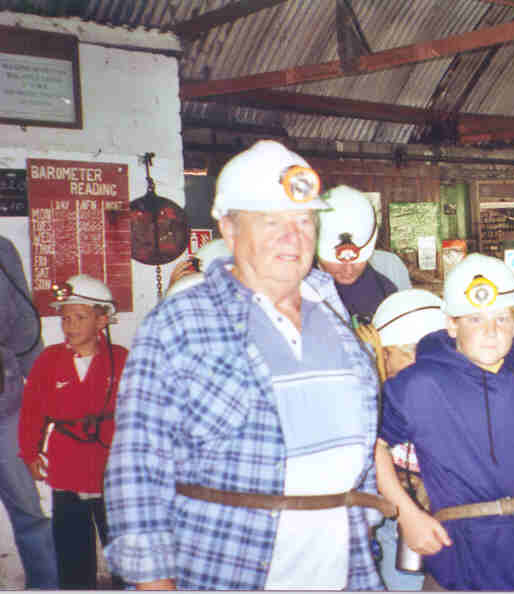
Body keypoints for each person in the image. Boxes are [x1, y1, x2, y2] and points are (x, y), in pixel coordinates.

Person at [103, 140, 393, 590]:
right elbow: (138, 470)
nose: (292, 236)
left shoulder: (336, 321)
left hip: (343, 570)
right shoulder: (182, 323)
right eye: (270, 221)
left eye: (303, 220)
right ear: (229, 227)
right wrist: (154, 582)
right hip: (228, 571)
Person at [375, 253, 514, 590]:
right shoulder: (418, 385)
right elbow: (371, 446)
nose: (491, 333)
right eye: (475, 320)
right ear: (451, 324)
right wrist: (406, 513)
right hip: (460, 556)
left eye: (503, 319)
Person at [18, 274, 127, 590]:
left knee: (124, 554)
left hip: (113, 471)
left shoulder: (120, 360)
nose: (70, 325)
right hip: (67, 469)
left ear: (102, 320)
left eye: (80, 317)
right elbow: (32, 411)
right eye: (65, 318)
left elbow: (138, 414)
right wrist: (29, 452)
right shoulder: (49, 360)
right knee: (72, 556)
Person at [356, 289, 445, 591]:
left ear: (410, 354)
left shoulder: (415, 394)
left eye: (386, 354)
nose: (384, 362)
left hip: (421, 524)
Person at [0, 236, 58, 590]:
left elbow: (26, 327)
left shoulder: (3, 251)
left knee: (29, 512)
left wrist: (45, 393)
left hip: (6, 407)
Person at [317, 185, 398, 324]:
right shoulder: (297, 291)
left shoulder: (386, 292)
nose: (348, 270)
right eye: (338, 262)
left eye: (358, 260)